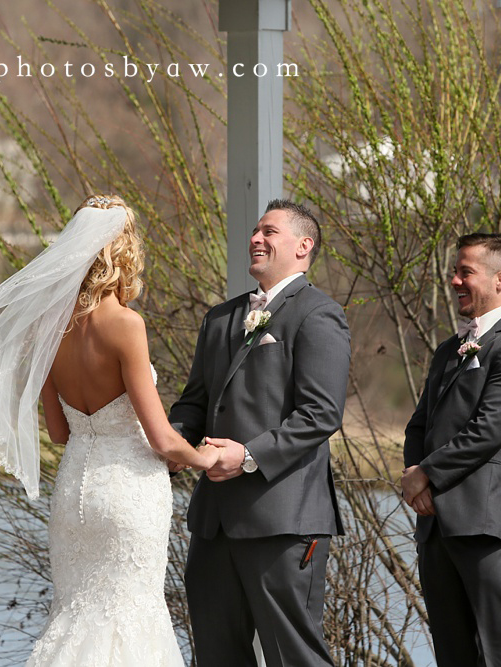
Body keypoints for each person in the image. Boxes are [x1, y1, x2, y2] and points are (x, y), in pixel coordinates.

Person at [0, 195, 218, 666]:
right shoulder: (127, 325)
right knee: (130, 613)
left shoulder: (50, 326)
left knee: (75, 614)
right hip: (128, 490)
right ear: (123, 253)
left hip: (74, 491)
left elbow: (60, 432)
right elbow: (162, 439)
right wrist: (208, 458)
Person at [168, 199, 350, 667]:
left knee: (295, 657)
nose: (255, 238)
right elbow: (194, 404)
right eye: (254, 230)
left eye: (269, 232)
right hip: (214, 524)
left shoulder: (319, 314)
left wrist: (247, 455)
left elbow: (320, 414)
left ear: (303, 246)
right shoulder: (219, 318)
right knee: (216, 655)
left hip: (284, 521)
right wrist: (172, 443)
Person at [400, 233, 501, 666]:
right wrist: (414, 478)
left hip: (485, 521)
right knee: (452, 651)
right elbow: (419, 425)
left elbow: (488, 430)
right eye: (454, 271)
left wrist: (426, 473)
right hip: (434, 524)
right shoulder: (449, 349)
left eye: (466, 272)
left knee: (500, 650)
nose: (454, 280)